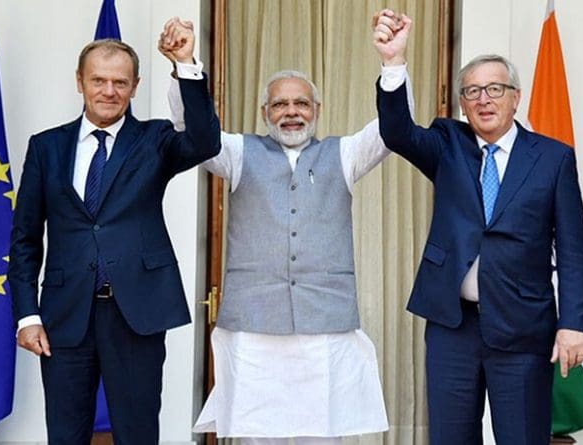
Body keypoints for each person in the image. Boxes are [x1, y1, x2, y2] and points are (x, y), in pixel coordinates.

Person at [159, 16, 413, 445]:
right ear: (265, 113)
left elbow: (393, 132)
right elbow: (193, 131)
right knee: (258, 436)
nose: (291, 112)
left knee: (322, 435)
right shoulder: (238, 153)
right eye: (280, 105)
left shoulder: (345, 154)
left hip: (324, 328)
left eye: (301, 104)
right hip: (254, 329)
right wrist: (186, 63)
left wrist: (393, 63)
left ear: (316, 111)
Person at [372, 11, 583, 445]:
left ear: (516, 98)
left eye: (495, 89)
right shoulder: (446, 144)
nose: (483, 100)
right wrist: (393, 62)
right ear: (462, 104)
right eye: (472, 92)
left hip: (523, 326)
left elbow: (573, 250)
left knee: (522, 438)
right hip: (453, 327)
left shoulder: (552, 158)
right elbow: (397, 132)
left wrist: (574, 324)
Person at [8, 27, 221, 444]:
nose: (109, 91)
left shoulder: (155, 140)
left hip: (136, 313)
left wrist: (185, 65)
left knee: (137, 434)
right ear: (80, 82)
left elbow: (204, 141)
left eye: (120, 82)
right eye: (99, 80)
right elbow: (25, 238)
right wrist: (27, 314)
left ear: (135, 87)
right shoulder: (46, 147)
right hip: (65, 315)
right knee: (66, 434)